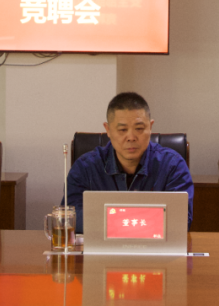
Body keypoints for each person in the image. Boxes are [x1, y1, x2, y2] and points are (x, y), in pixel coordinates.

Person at [66, 92, 193, 233]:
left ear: (150, 127)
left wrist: (111, 219)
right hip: (103, 246)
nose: (131, 137)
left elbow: (181, 221)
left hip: (153, 245)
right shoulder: (85, 167)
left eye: (139, 129)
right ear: (108, 130)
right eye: (122, 130)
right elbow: (70, 218)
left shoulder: (173, 165)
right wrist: (140, 219)